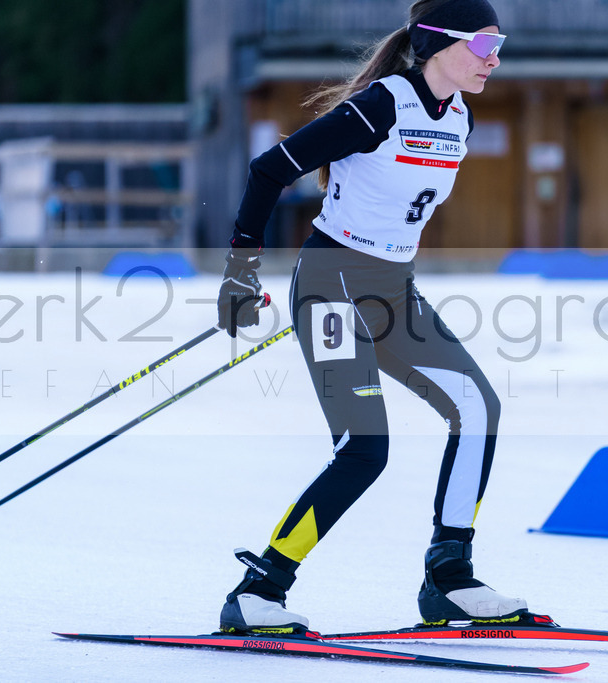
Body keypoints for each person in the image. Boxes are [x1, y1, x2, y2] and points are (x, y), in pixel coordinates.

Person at [215, 0, 538, 634]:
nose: (493, 58)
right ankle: (258, 591)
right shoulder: (383, 104)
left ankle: (449, 577)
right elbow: (269, 170)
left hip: (393, 289)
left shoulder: (460, 117)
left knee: (477, 407)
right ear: (438, 44)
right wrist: (239, 273)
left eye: (499, 43)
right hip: (332, 284)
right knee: (364, 450)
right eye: (481, 44)